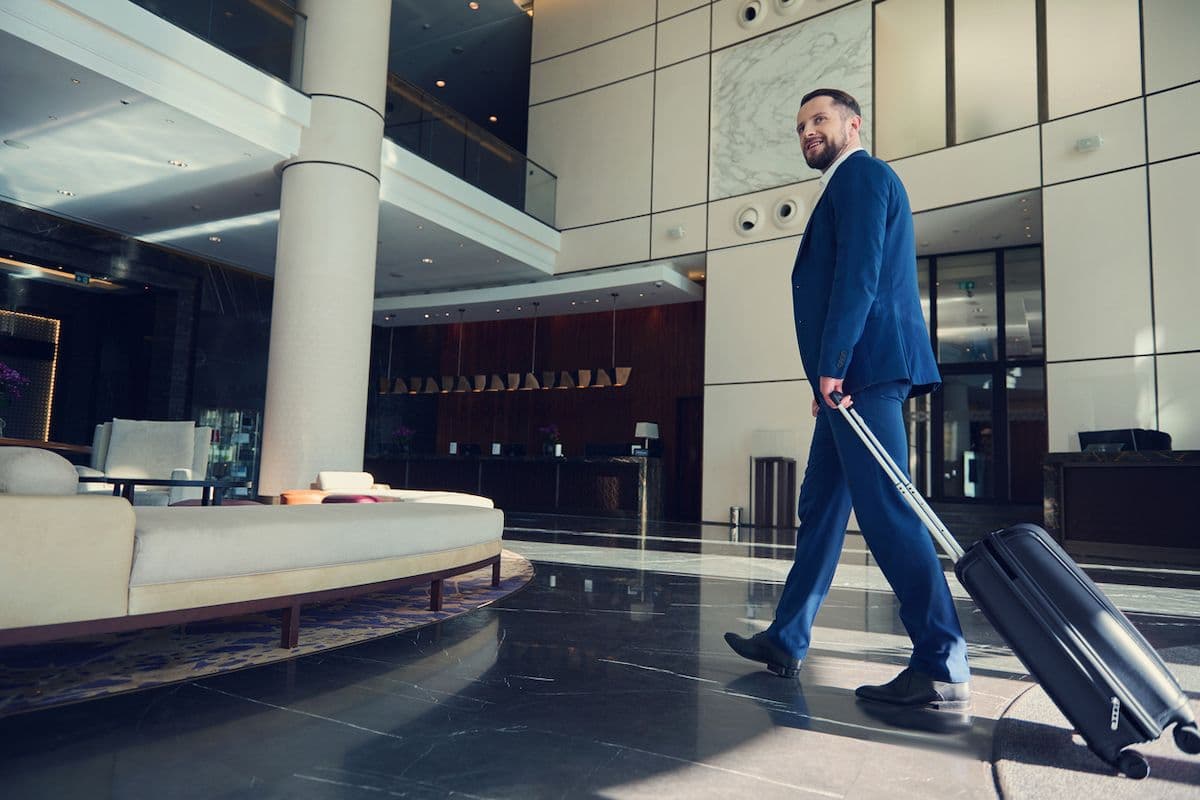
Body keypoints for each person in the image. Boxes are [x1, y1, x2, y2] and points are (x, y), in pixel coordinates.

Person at [724, 89, 970, 709]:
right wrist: (825, 378)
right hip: (847, 378)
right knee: (822, 507)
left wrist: (833, 367)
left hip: (864, 372)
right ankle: (786, 638)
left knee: (886, 509)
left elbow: (859, 275)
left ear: (852, 124)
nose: (808, 130)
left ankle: (941, 658)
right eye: (800, 125)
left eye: (820, 119)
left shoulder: (861, 176)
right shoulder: (845, 184)